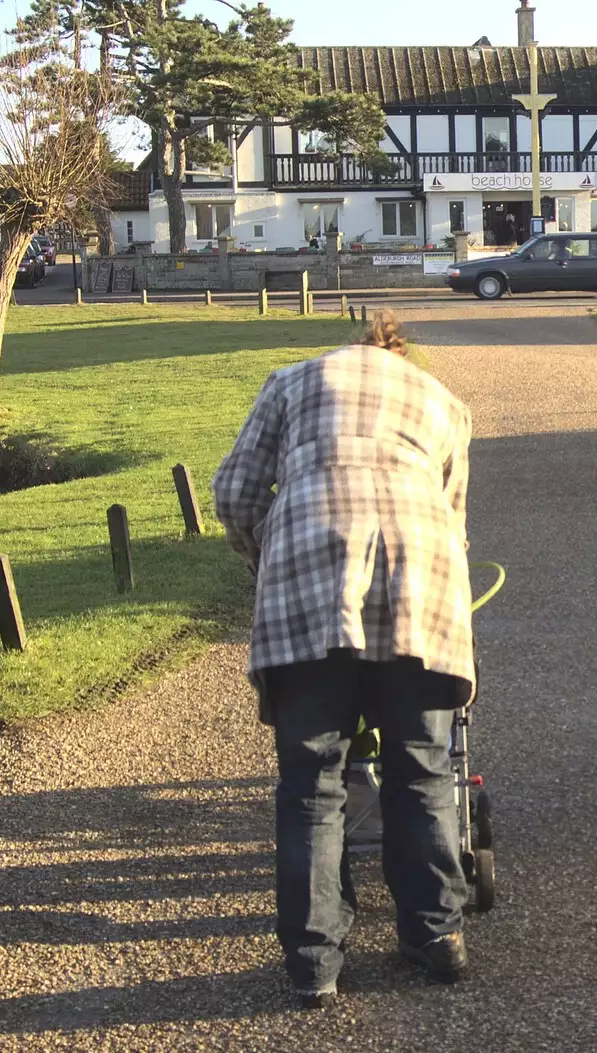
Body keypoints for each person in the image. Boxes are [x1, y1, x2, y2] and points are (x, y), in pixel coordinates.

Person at [212, 311, 477, 1007]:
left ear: (353, 350)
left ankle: (313, 964)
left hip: (311, 567)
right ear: (398, 356)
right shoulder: (445, 403)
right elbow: (454, 519)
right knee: (420, 769)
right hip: (421, 576)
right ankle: (434, 933)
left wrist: (267, 556)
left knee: (312, 783)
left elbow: (235, 493)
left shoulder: (292, 381)